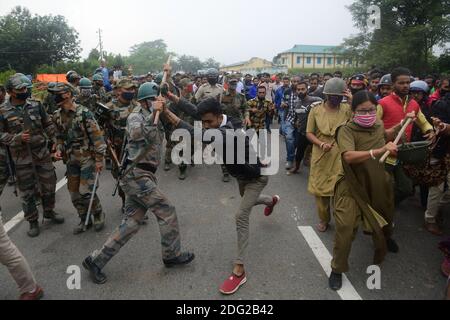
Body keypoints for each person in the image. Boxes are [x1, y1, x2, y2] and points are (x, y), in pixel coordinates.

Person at [161, 86, 280, 295]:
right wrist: (171, 96)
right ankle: (271, 201)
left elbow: (194, 133)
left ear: (218, 117)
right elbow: (193, 110)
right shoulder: (217, 119)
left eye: (209, 122)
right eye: (204, 122)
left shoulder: (228, 130)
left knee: (241, 215)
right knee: (247, 200)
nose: (206, 126)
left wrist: (165, 111)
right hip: (241, 177)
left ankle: (240, 270)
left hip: (256, 177)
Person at [82, 82, 195, 285]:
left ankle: (95, 261)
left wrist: (164, 107)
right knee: (167, 210)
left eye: (157, 100)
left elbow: (172, 127)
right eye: (153, 99)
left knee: (131, 224)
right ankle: (171, 255)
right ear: (144, 101)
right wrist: (154, 116)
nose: (157, 102)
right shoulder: (136, 116)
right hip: (136, 175)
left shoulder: (155, 114)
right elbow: (136, 135)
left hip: (143, 175)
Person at [329, 91, 401, 290]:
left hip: (376, 181)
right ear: (353, 111)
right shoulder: (345, 130)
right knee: (345, 228)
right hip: (351, 185)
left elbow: (386, 135)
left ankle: (386, 238)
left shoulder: (377, 124)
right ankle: (337, 268)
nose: (368, 114)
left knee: (386, 215)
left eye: (371, 109)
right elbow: (348, 156)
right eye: (363, 111)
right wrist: (376, 152)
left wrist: (403, 124)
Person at [0, 73, 64, 237]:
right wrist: (16, 138)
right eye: (20, 89)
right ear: (11, 91)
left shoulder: (36, 104)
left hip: (41, 154)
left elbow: (47, 123)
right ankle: (33, 221)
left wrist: (55, 140)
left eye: (25, 88)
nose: (24, 90)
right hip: (21, 158)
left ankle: (49, 212)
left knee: (49, 185)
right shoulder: (3, 111)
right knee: (27, 192)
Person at [51, 83, 107, 234]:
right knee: (74, 193)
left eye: (58, 93)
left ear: (68, 94)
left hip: (87, 158)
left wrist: (99, 160)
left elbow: (97, 139)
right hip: (70, 159)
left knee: (86, 191)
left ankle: (98, 213)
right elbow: (59, 138)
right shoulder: (57, 115)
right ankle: (83, 217)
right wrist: (58, 149)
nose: (54, 96)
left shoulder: (84, 113)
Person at [377, 67, 435, 205]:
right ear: (393, 85)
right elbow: (374, 129)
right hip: (383, 152)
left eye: (407, 82)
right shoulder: (382, 103)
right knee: (382, 186)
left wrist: (430, 131)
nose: (405, 86)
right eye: (401, 83)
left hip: (403, 153)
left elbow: (423, 122)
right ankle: (381, 211)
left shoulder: (413, 104)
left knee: (406, 189)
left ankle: (388, 206)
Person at [306, 78, 353, 232]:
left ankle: (340, 217)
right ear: (326, 95)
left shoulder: (347, 109)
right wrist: (320, 144)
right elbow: (309, 133)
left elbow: (358, 121)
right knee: (320, 191)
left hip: (341, 153)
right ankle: (324, 219)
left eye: (339, 96)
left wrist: (352, 101)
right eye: (333, 96)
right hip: (321, 153)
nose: (336, 99)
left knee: (340, 188)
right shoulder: (316, 110)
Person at [106, 79, 139, 210]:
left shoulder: (137, 106)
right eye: (128, 89)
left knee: (137, 176)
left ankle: (137, 204)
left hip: (135, 148)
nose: (131, 92)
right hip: (117, 151)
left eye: (133, 89)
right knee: (121, 177)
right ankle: (126, 201)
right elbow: (98, 128)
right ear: (119, 90)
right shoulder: (108, 108)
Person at [288, 81, 323, 174]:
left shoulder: (317, 100)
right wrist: (296, 122)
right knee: (299, 152)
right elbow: (296, 116)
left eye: (302, 89)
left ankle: (319, 172)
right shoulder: (296, 103)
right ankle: (296, 168)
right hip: (302, 132)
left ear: (307, 89)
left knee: (318, 153)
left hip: (316, 133)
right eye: (298, 90)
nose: (300, 91)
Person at [283, 76, 302, 170]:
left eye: (297, 81)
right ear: (291, 82)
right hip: (289, 119)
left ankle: (295, 157)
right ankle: (290, 159)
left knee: (297, 142)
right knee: (289, 138)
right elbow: (284, 102)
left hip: (301, 121)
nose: (295, 83)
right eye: (294, 81)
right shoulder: (287, 91)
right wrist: (283, 104)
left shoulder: (304, 92)